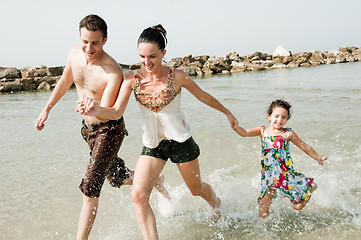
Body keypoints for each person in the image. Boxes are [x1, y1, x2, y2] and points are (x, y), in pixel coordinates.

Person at [76, 24, 239, 240]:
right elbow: (115, 112)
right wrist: (96, 110)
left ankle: (216, 203)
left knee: (196, 189)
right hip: (153, 144)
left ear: (163, 53)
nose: (147, 62)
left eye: (152, 56)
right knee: (138, 194)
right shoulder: (132, 80)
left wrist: (227, 112)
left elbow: (203, 96)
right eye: (142, 57)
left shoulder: (177, 76)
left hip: (181, 141)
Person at [35, 15, 168, 240]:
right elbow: (65, 82)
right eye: (85, 41)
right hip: (89, 131)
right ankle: (153, 180)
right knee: (116, 177)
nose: (89, 47)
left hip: (109, 130)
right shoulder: (73, 54)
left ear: (105, 40)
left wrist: (94, 108)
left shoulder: (112, 71)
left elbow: (109, 111)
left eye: (95, 42)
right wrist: (47, 109)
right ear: (79, 37)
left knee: (90, 187)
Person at [233, 99, 327, 218]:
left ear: (287, 119)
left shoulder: (288, 134)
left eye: (284, 117)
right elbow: (245, 133)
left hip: (284, 174)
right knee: (263, 206)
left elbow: (305, 147)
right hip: (269, 175)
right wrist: (236, 127)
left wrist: (318, 156)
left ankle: (310, 187)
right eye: (276, 116)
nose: (279, 120)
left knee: (297, 206)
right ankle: (265, 229)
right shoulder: (262, 131)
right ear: (269, 117)